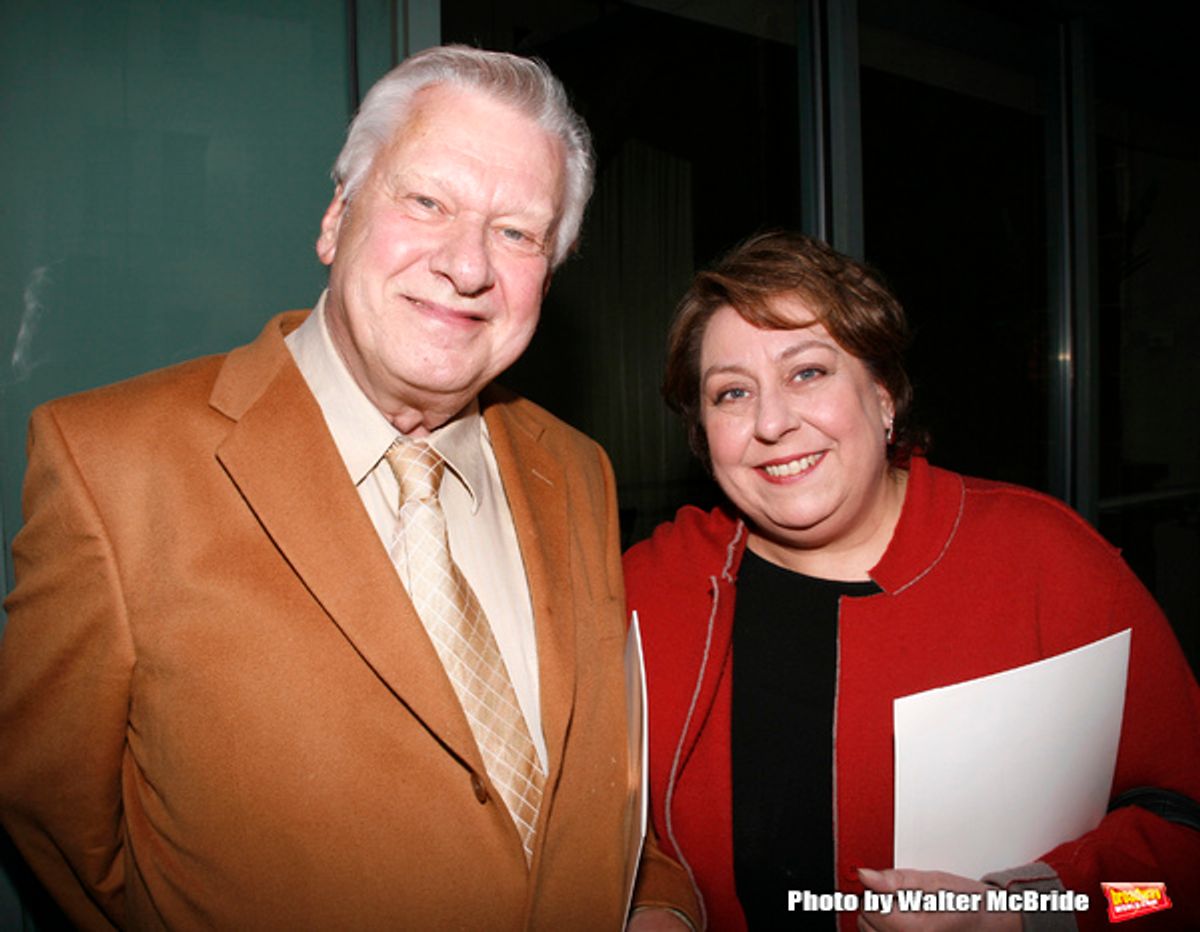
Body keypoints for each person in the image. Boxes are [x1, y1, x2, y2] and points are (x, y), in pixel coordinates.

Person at [0, 45, 696, 930]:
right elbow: (55, 814)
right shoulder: (115, 465)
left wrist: (659, 905)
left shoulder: (575, 470)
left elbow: (596, 784)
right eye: (427, 201)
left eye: (518, 233)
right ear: (336, 217)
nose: (468, 266)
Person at [626, 231, 1200, 931]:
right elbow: (601, 833)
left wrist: (1025, 915)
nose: (771, 423)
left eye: (807, 372)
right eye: (732, 392)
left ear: (883, 394)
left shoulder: (1045, 563)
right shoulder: (648, 591)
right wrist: (656, 906)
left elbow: (1178, 875)